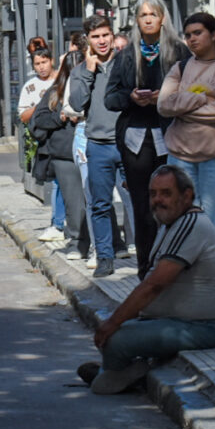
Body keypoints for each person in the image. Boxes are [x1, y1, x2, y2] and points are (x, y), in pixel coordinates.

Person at [77, 165, 215, 395]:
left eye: (166, 193)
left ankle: (112, 377)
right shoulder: (171, 223)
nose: (158, 200)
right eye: (153, 194)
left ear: (186, 196)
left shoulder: (190, 225)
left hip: (202, 327)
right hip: (174, 320)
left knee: (117, 339)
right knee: (117, 331)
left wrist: (112, 323)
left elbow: (154, 284)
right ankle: (123, 371)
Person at [105, 0, 191, 276]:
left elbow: (192, 91)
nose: (148, 19)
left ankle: (172, 263)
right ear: (137, 21)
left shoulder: (179, 53)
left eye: (153, 14)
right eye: (143, 15)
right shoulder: (127, 55)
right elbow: (111, 98)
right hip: (136, 140)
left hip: (170, 135)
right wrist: (131, 97)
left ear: (163, 18)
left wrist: (164, 99)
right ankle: (146, 267)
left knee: (172, 202)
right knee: (143, 205)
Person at [69, 14, 129, 278]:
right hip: (98, 146)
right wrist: (90, 73)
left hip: (130, 142)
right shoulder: (81, 71)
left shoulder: (127, 62)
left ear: (113, 36)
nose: (102, 41)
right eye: (96, 37)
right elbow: (77, 103)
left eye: (106, 35)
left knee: (139, 202)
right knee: (100, 204)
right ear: (88, 40)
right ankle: (105, 257)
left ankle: (149, 258)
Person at [157, 12, 215, 230]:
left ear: (213, 35)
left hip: (213, 156)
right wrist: (204, 97)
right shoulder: (180, 68)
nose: (192, 38)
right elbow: (164, 106)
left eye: (198, 33)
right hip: (179, 155)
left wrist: (182, 108)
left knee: (211, 221)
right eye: (188, 34)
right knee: (177, 219)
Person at [29, 51, 90, 260]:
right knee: (74, 203)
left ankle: (109, 244)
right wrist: (61, 117)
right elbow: (38, 121)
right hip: (65, 154)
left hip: (93, 150)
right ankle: (77, 241)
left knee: (98, 200)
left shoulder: (94, 86)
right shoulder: (56, 91)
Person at [18, 45, 64, 241]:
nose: (42, 67)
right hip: (45, 139)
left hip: (64, 136)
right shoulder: (30, 87)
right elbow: (23, 115)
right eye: (37, 64)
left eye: (44, 62)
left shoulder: (61, 80)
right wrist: (41, 107)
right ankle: (57, 222)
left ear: (51, 61)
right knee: (55, 181)